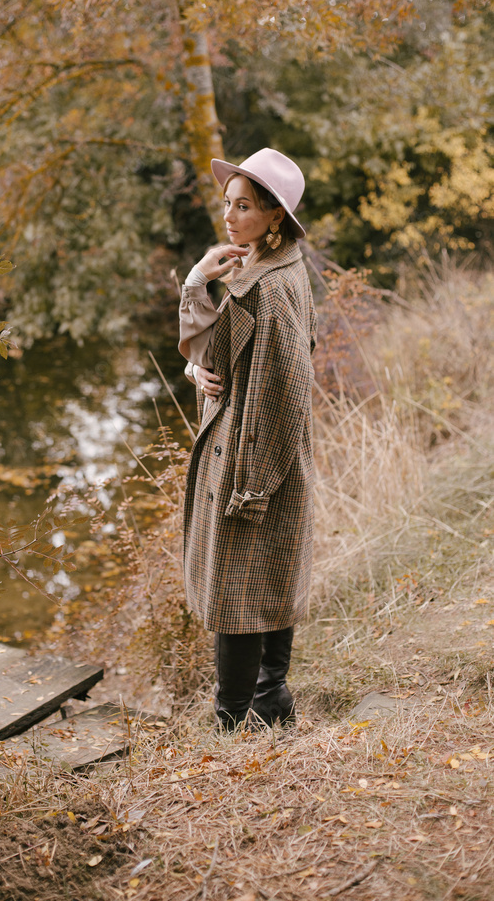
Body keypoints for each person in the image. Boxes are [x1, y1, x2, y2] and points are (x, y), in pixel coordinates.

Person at [178, 148, 317, 732]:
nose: (229, 217)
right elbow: (211, 353)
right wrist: (196, 282)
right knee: (261, 573)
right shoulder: (252, 263)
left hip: (256, 452)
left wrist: (253, 481)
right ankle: (267, 703)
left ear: (274, 215)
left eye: (244, 206)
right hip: (241, 441)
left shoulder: (273, 285)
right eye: (227, 203)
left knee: (241, 583)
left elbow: (286, 389)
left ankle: (238, 716)